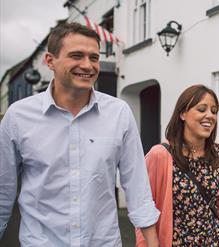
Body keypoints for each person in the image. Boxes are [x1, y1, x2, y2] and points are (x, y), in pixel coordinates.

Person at [0, 23, 160, 247]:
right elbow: (3, 192)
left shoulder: (119, 113)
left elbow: (137, 188)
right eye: (76, 55)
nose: (88, 65)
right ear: (49, 61)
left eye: (93, 57)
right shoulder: (18, 117)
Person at [135, 84, 219, 246]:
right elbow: (143, 209)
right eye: (202, 109)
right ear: (183, 113)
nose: (209, 115)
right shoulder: (160, 155)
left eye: (214, 111)